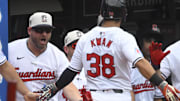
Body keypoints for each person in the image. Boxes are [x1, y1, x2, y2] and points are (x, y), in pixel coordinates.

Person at [37, 0, 180, 101]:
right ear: (124, 14)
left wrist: (53, 88)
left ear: (101, 13)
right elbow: (141, 63)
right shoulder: (124, 37)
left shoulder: (86, 38)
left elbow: (71, 72)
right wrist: (162, 84)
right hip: (120, 96)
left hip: (94, 96)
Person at [8, 12, 82, 101]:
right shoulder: (11, 50)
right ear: (29, 31)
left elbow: (67, 84)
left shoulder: (57, 55)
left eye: (48, 31)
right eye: (39, 30)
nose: (44, 34)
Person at [131, 24, 164, 101]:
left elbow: (158, 97)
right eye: (148, 41)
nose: (152, 45)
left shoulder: (157, 67)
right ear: (140, 42)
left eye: (155, 42)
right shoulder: (129, 65)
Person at [60, 30, 87, 100]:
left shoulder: (93, 70)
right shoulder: (59, 68)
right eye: (75, 46)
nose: (81, 49)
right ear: (66, 49)